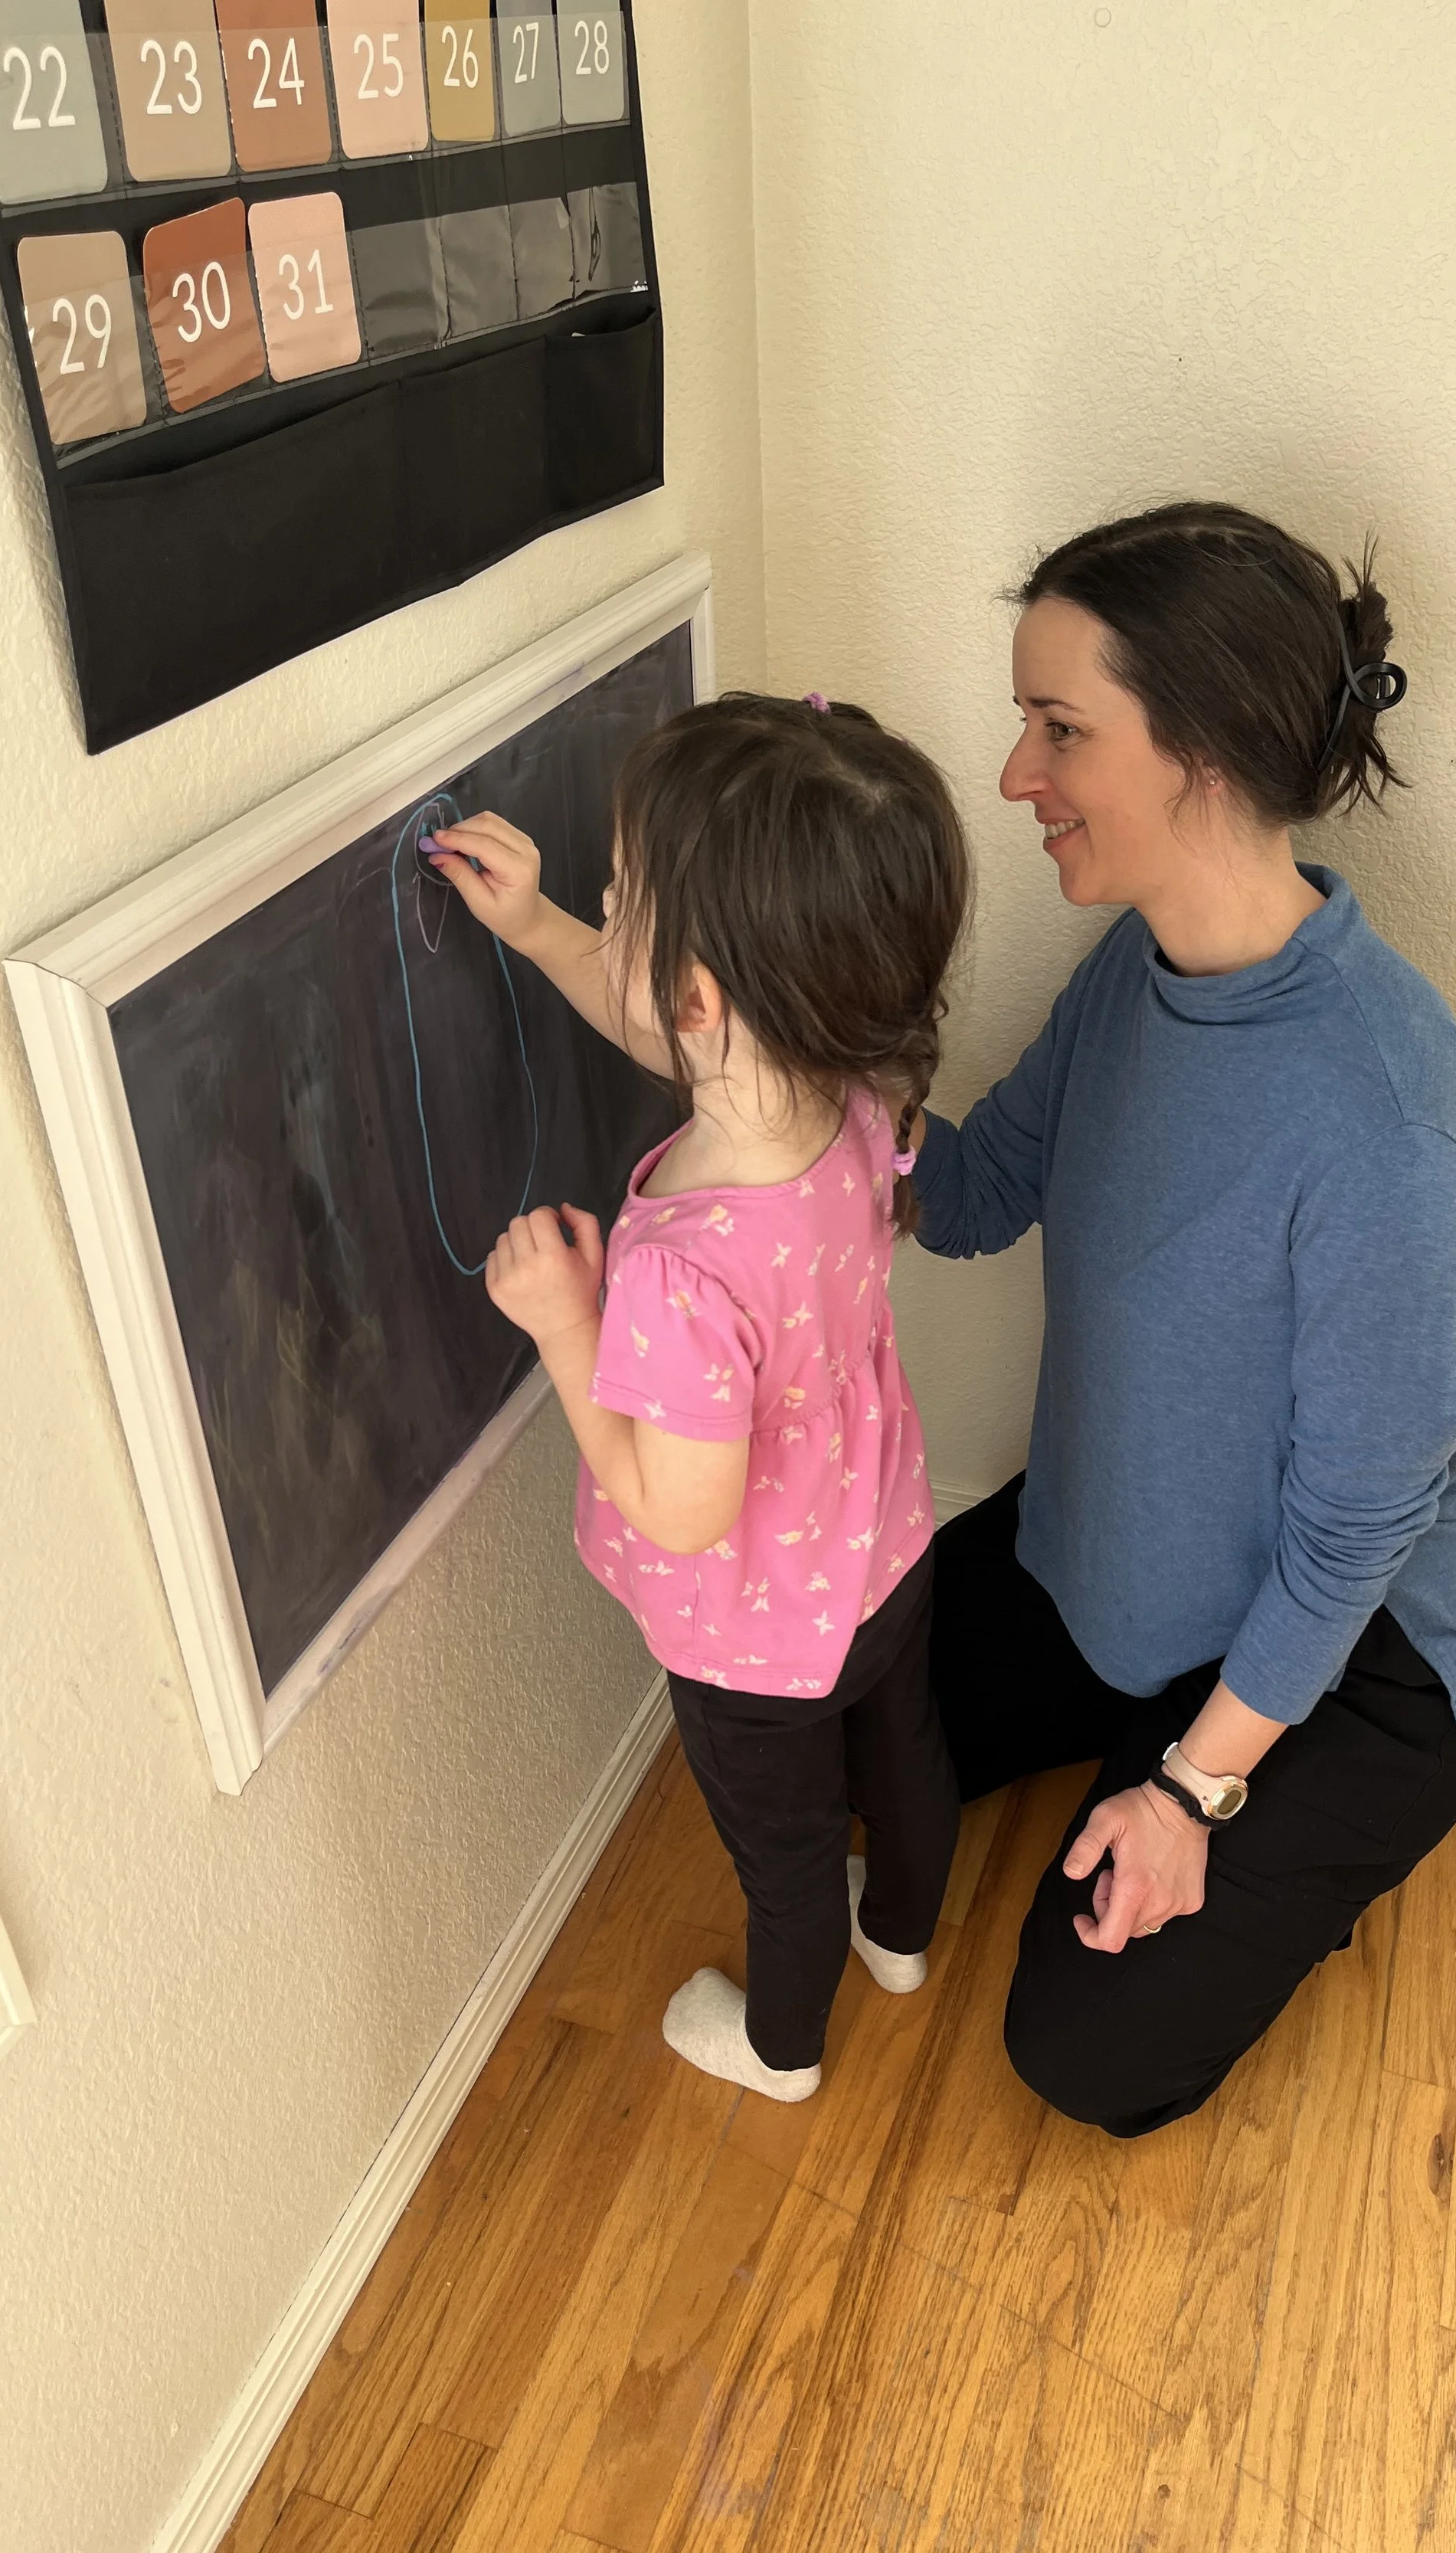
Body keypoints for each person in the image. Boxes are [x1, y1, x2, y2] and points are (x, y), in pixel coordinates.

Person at [911, 501, 1456, 2138]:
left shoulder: (1380, 1117)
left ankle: (1254, 1813)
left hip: (1346, 1647)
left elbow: (1350, 1530)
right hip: (1118, 1557)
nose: (1013, 774)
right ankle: (1129, 1726)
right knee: (835, 1725)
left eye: (1057, 729)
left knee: (1084, 2052)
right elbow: (969, 1198)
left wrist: (1188, 1787)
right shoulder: (1133, 968)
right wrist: (800, 1062)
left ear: (1200, 756)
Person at [427, 695, 971, 2103]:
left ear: (706, 999)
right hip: (886, 1550)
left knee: (789, 1861)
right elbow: (689, 1031)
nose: (607, 903)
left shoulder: (675, 1270)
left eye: (626, 900)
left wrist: (565, 1325)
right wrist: (544, 926)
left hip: (751, 1640)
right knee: (905, 1763)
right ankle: (902, 1940)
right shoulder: (854, 1099)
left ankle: (782, 2050)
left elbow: (679, 1511)